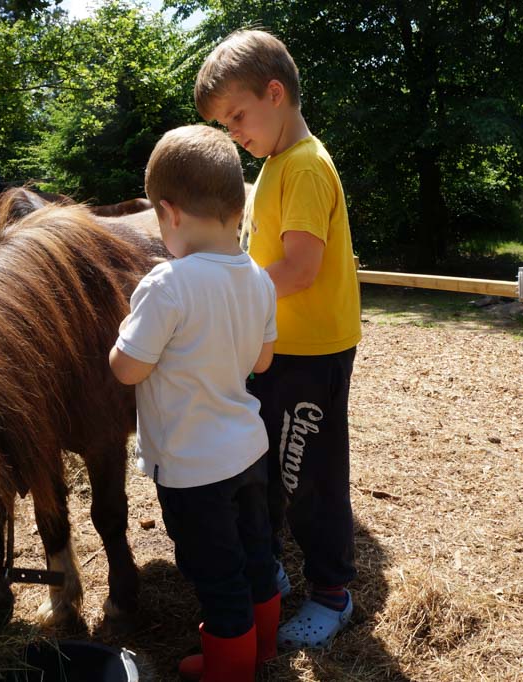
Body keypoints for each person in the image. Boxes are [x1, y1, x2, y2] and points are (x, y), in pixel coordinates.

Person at [195, 29, 362, 650]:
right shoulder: (272, 167)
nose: (233, 131)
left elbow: (299, 269)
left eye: (237, 116)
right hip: (279, 349)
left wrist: (221, 293)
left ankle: (332, 593)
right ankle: (277, 573)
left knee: (308, 476)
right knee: (270, 473)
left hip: (312, 353)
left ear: (275, 93)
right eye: (223, 123)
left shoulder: (307, 167)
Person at [109, 125, 279, 681]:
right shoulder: (258, 278)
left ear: (169, 213)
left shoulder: (166, 285)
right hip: (251, 452)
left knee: (216, 575)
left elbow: (128, 368)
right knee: (256, 555)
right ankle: (263, 647)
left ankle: (230, 669)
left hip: (192, 468)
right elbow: (262, 363)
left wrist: (124, 339)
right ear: (238, 207)